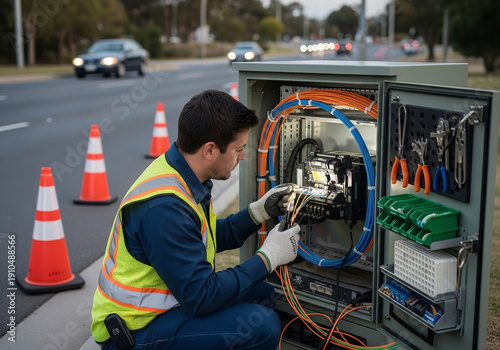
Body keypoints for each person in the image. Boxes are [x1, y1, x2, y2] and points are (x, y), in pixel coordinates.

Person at [91, 89, 301, 349]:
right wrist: (267, 258)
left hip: (169, 306)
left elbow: (202, 239)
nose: (243, 156)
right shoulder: (164, 208)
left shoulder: (182, 173)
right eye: (238, 149)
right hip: (134, 331)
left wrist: (257, 213)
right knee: (261, 325)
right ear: (210, 150)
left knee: (264, 294)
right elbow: (201, 297)